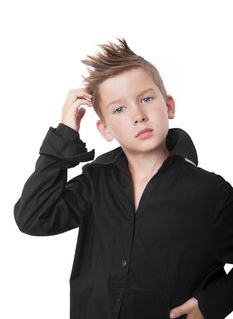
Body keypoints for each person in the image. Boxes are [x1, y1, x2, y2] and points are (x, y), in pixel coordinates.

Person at [13, 37, 233, 319]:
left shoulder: (210, 193)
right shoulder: (95, 182)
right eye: (119, 109)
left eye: (146, 99)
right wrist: (66, 133)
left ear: (169, 106)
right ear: (105, 130)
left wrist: (212, 302)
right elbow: (33, 217)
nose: (138, 115)